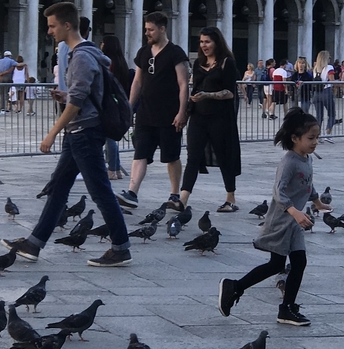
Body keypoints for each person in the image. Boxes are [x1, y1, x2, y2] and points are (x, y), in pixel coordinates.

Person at [2, 1, 131, 267]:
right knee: (58, 188)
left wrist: (52, 132)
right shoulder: (85, 54)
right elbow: (81, 95)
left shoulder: (82, 56)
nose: (49, 31)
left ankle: (121, 247)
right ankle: (34, 244)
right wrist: (66, 94)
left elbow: (77, 103)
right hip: (78, 133)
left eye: (52, 25)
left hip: (84, 132)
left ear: (67, 25)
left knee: (100, 191)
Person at [217, 107, 330, 327]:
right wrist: (294, 211)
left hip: (295, 222)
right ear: (295, 138)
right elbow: (279, 191)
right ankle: (235, 287)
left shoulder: (306, 159)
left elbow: (307, 183)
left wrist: (316, 201)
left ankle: (287, 308)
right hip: (282, 220)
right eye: (311, 138)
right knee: (276, 265)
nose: (315, 141)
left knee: (299, 262)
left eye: (317, 137)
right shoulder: (289, 162)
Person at [116, 11, 189, 210]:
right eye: (146, 29)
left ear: (162, 29)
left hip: (169, 114)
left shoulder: (176, 53)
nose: (147, 33)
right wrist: (129, 107)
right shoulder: (144, 52)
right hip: (146, 113)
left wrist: (182, 111)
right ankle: (132, 192)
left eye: (151, 30)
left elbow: (183, 84)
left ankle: (175, 194)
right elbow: (137, 82)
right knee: (140, 152)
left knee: (171, 156)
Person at [179, 26, 241, 213]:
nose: (204, 45)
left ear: (216, 43)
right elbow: (196, 88)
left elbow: (230, 93)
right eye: (201, 42)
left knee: (224, 156)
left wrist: (208, 95)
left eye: (207, 42)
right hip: (198, 116)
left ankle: (230, 197)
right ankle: (182, 199)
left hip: (220, 118)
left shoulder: (226, 63)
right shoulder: (198, 63)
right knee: (192, 157)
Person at [101, 34, 133, 181]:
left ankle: (112, 169)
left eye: (102, 43)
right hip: (120, 101)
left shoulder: (109, 63)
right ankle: (117, 168)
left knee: (109, 138)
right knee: (111, 136)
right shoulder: (122, 63)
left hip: (110, 103)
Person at [314, 50, 339, 135]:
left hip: (316, 93)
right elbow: (332, 80)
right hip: (326, 91)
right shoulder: (329, 68)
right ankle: (328, 132)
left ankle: (317, 133)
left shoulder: (315, 68)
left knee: (319, 116)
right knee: (332, 113)